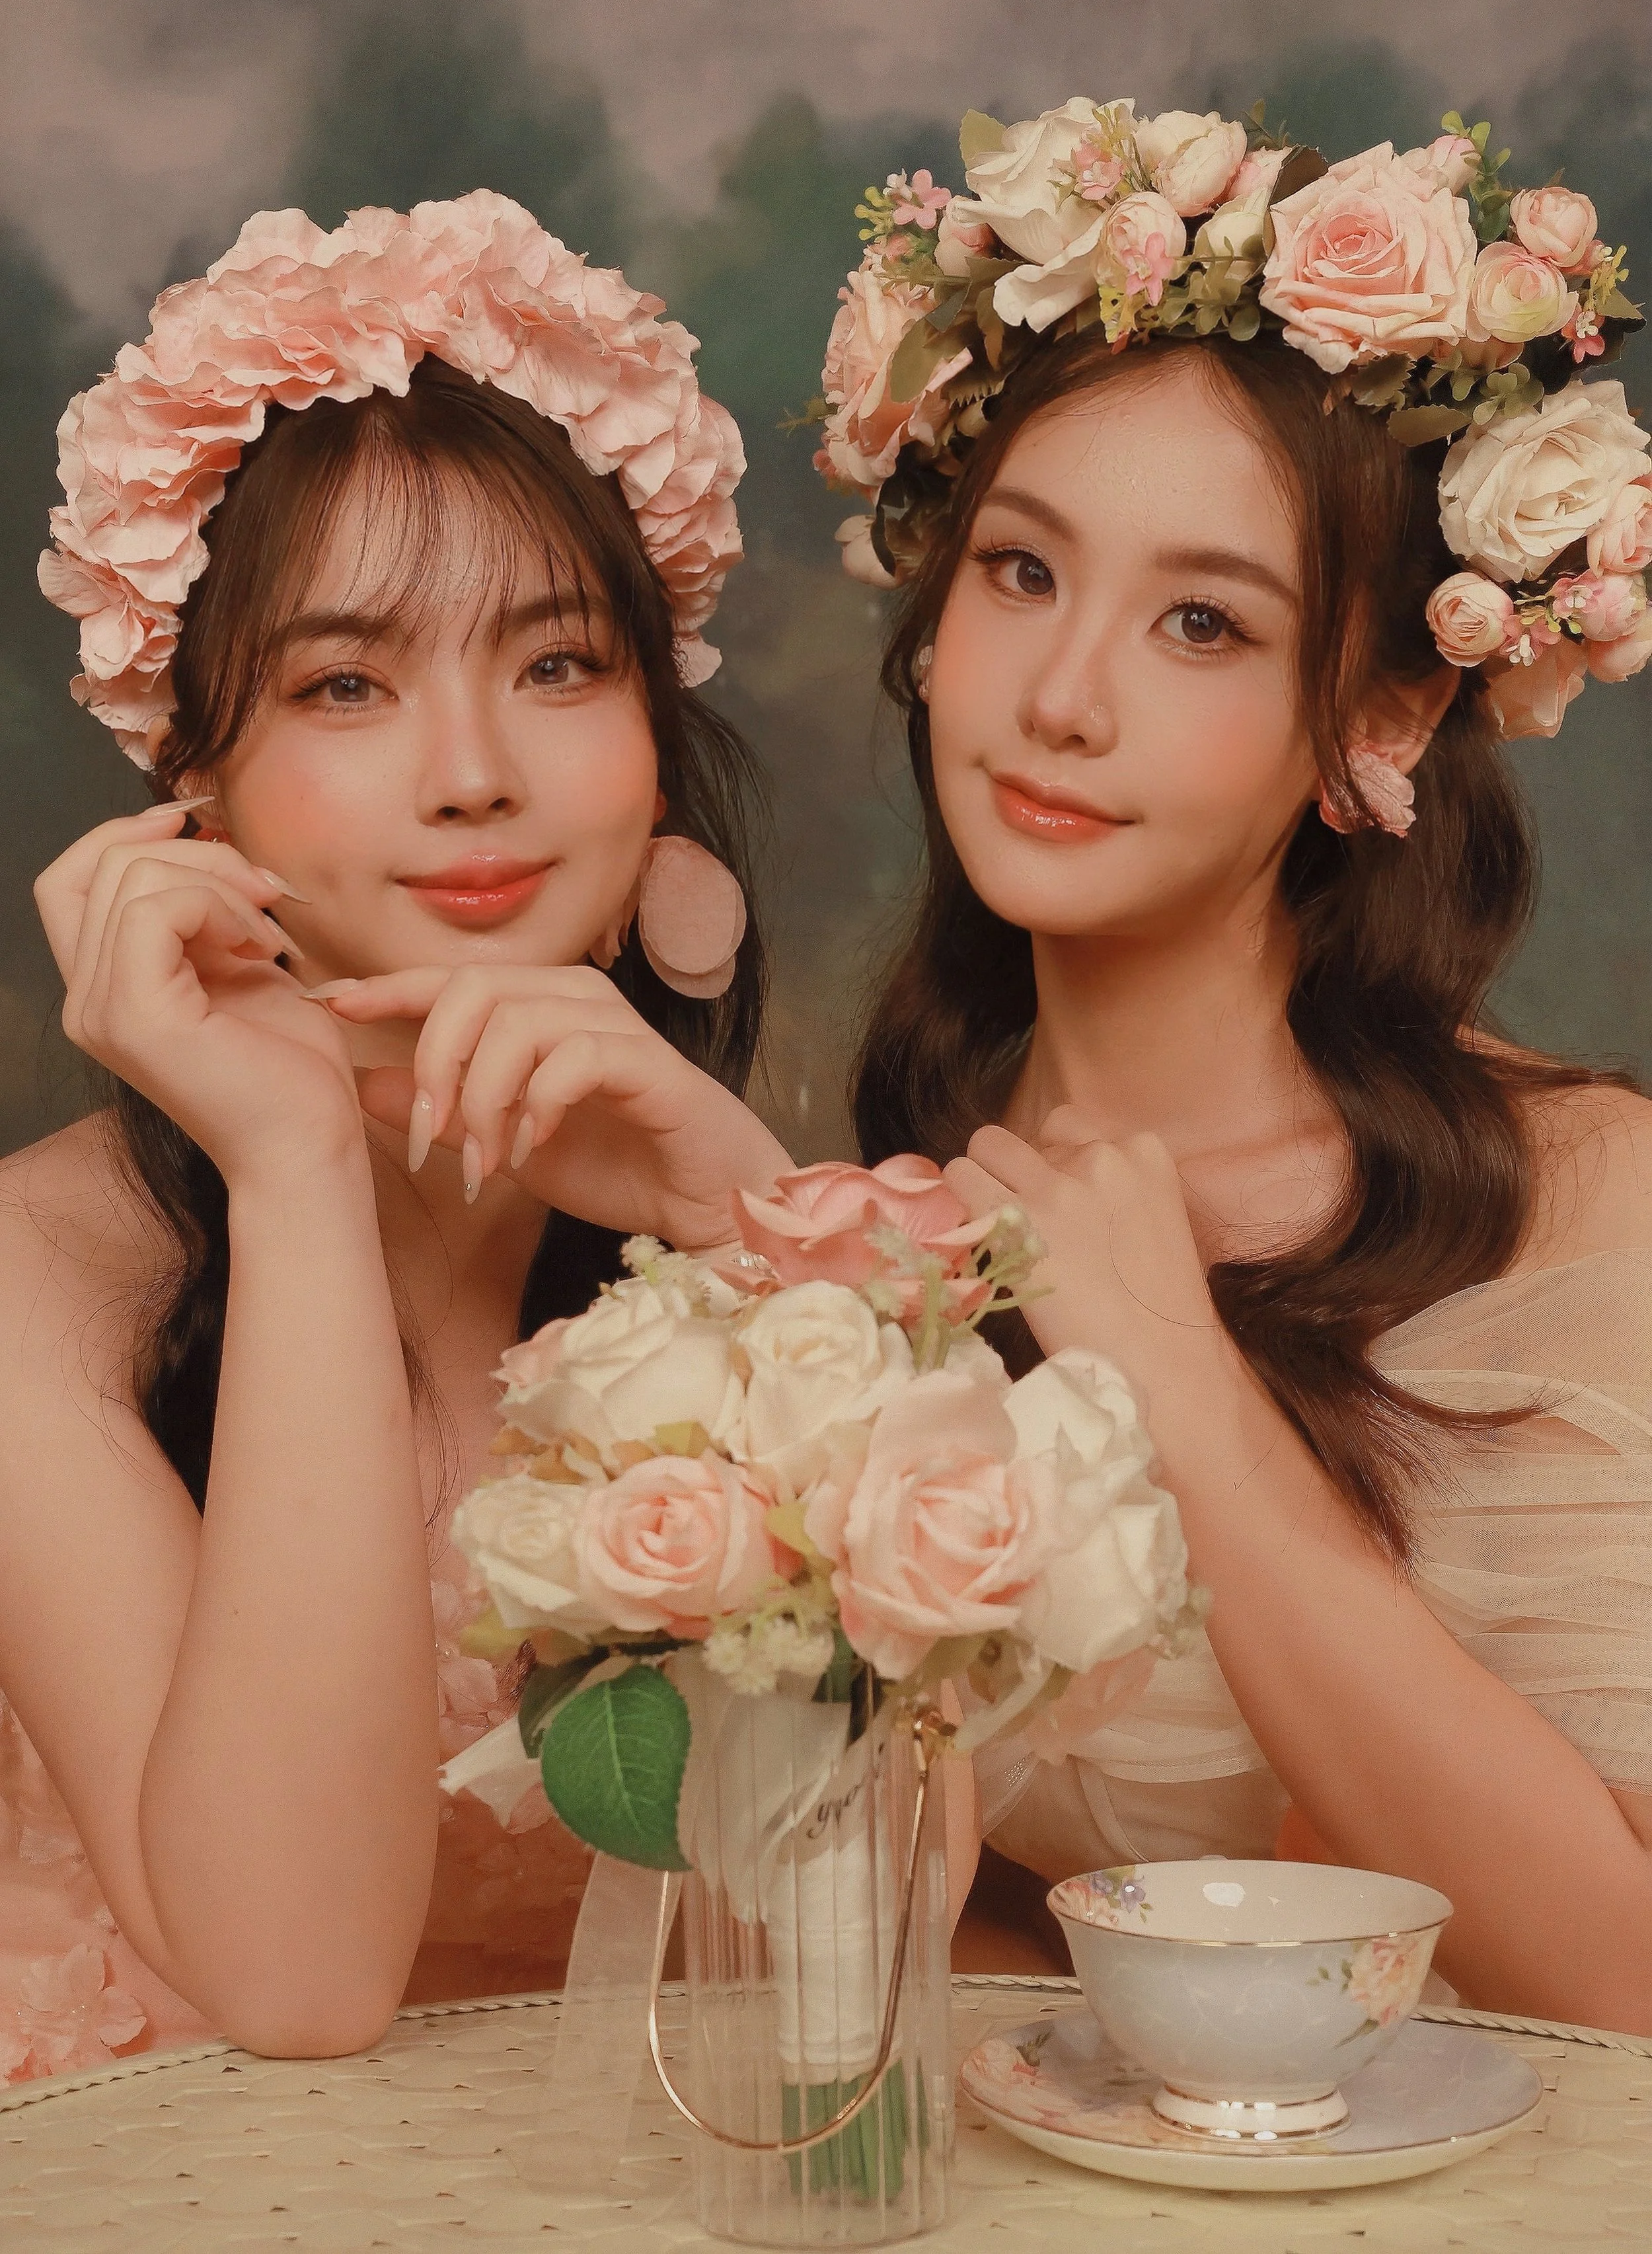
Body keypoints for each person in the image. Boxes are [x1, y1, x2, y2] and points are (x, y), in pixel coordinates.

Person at [813, 101, 1652, 2028]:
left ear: (1380, 706)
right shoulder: (886, 1217)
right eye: (1021, 573)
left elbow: (1619, 1989)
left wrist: (1169, 1375)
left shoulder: (1592, 1195)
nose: (1062, 692)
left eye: (1199, 619)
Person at [0, 194, 787, 2081]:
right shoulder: (39, 1272)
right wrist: (291, 1176)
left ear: (657, 744)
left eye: (557, 664)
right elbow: (294, 1981)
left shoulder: (739, 1194)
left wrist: (755, 1235)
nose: (470, 772)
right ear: (194, 774)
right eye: (345, 684)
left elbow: (872, 1933)